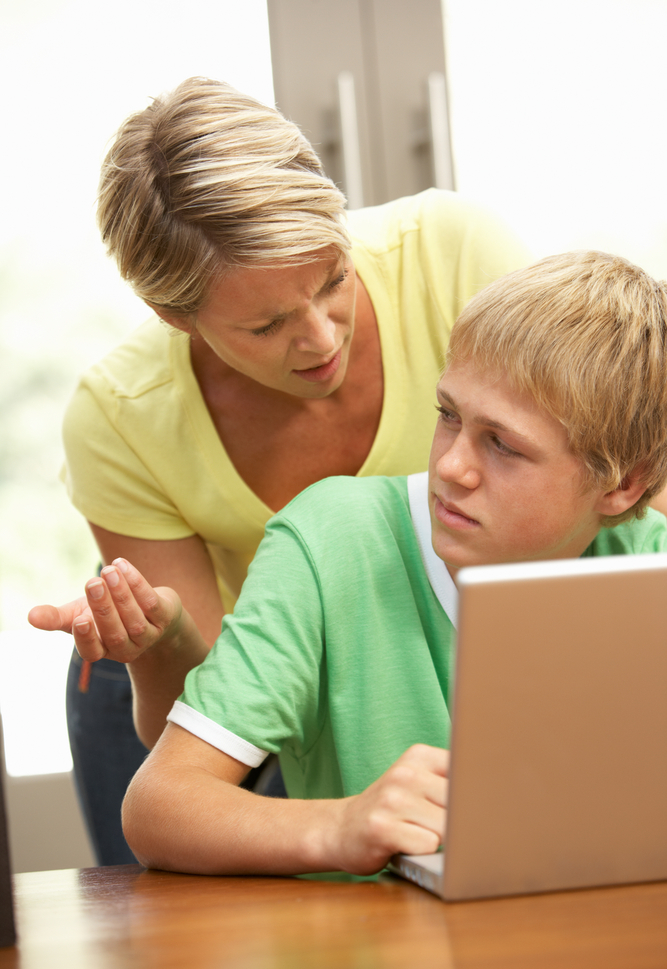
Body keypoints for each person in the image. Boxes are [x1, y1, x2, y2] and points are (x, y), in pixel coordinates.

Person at [32, 250, 667, 875]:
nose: (450, 466)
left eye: (502, 445)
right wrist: (342, 824)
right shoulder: (330, 542)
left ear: (624, 488)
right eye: (448, 416)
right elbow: (159, 806)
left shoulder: (649, 562)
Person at [59, 77, 531, 863]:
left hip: (429, 647)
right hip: (236, 677)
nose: (319, 340)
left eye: (333, 280)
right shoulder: (118, 417)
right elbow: (210, 718)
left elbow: (595, 462)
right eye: (268, 323)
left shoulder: (455, 254)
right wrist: (165, 637)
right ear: (176, 317)